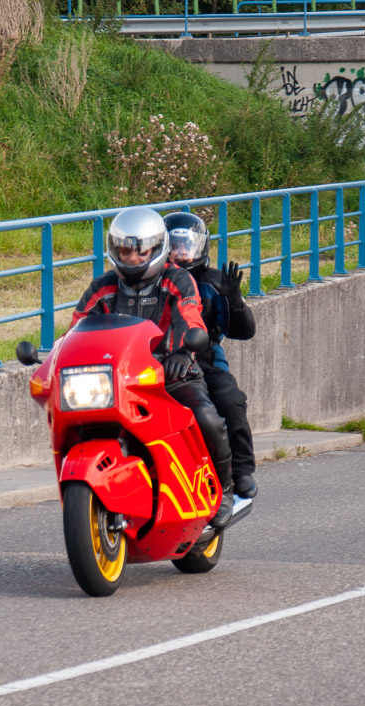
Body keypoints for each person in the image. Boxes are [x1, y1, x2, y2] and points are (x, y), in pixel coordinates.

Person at [71, 206, 236, 527]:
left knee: (207, 418)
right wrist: (54, 359)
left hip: (172, 373)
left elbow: (190, 315)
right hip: (120, 379)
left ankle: (225, 488)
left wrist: (183, 353)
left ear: (157, 249)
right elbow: (76, 329)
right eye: (125, 251)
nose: (132, 257)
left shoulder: (177, 279)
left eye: (140, 250)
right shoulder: (102, 288)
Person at [162, 211, 258, 499]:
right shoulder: (153, 280)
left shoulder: (214, 281)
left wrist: (233, 301)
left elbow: (244, 331)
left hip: (206, 358)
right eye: (174, 246)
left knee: (231, 399)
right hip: (159, 358)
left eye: (186, 245)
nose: (181, 253)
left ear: (201, 246)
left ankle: (241, 471)